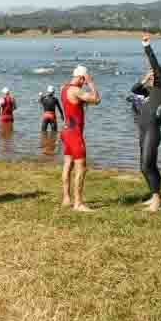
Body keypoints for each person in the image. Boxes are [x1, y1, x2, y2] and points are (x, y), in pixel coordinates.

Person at [131, 34, 161, 212]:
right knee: (144, 166)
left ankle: (156, 201)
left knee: (148, 164)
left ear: (160, 76)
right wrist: (144, 79)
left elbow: (154, 65)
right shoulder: (151, 89)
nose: (153, 77)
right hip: (143, 129)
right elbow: (134, 90)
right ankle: (154, 196)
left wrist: (147, 47)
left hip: (153, 130)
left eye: (155, 75)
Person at [59, 65, 101, 212]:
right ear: (82, 77)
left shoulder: (64, 88)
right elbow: (96, 99)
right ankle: (78, 204)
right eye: (84, 80)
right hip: (74, 133)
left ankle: (66, 198)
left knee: (67, 164)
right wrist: (91, 83)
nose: (84, 83)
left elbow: (75, 102)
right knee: (81, 168)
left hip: (66, 131)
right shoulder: (76, 90)